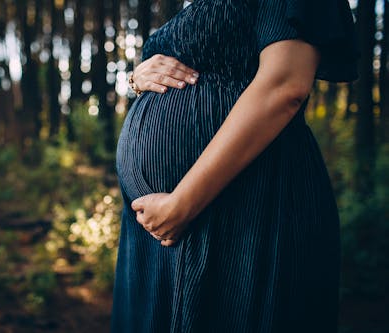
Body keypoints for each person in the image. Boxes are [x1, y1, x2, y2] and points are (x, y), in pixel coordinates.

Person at [112, 0, 358, 332]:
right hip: (158, 233)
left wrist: (182, 203)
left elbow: (284, 86)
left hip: (250, 205)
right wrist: (135, 79)